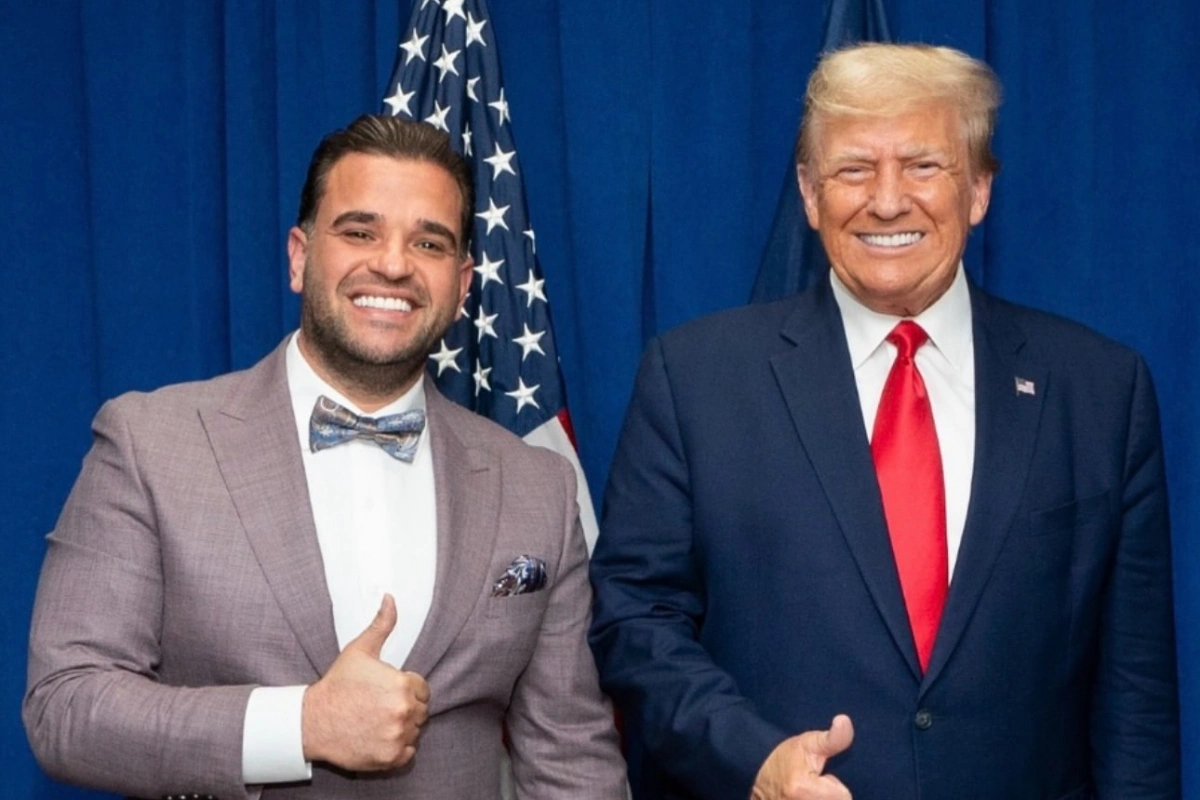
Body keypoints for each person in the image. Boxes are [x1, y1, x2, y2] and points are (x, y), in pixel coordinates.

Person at [588, 43, 1179, 800]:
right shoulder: (694, 379)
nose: (889, 201)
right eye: (854, 170)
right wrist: (754, 761)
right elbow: (636, 621)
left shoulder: (1100, 392)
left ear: (979, 189)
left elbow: (1136, 699)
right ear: (810, 194)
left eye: (924, 166)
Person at [24, 115, 626, 800]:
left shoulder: (538, 485)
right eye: (360, 232)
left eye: (428, 242)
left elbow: (571, 755)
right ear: (299, 257)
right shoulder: (150, 444)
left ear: (463, 286)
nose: (393, 264)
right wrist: (301, 725)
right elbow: (66, 708)